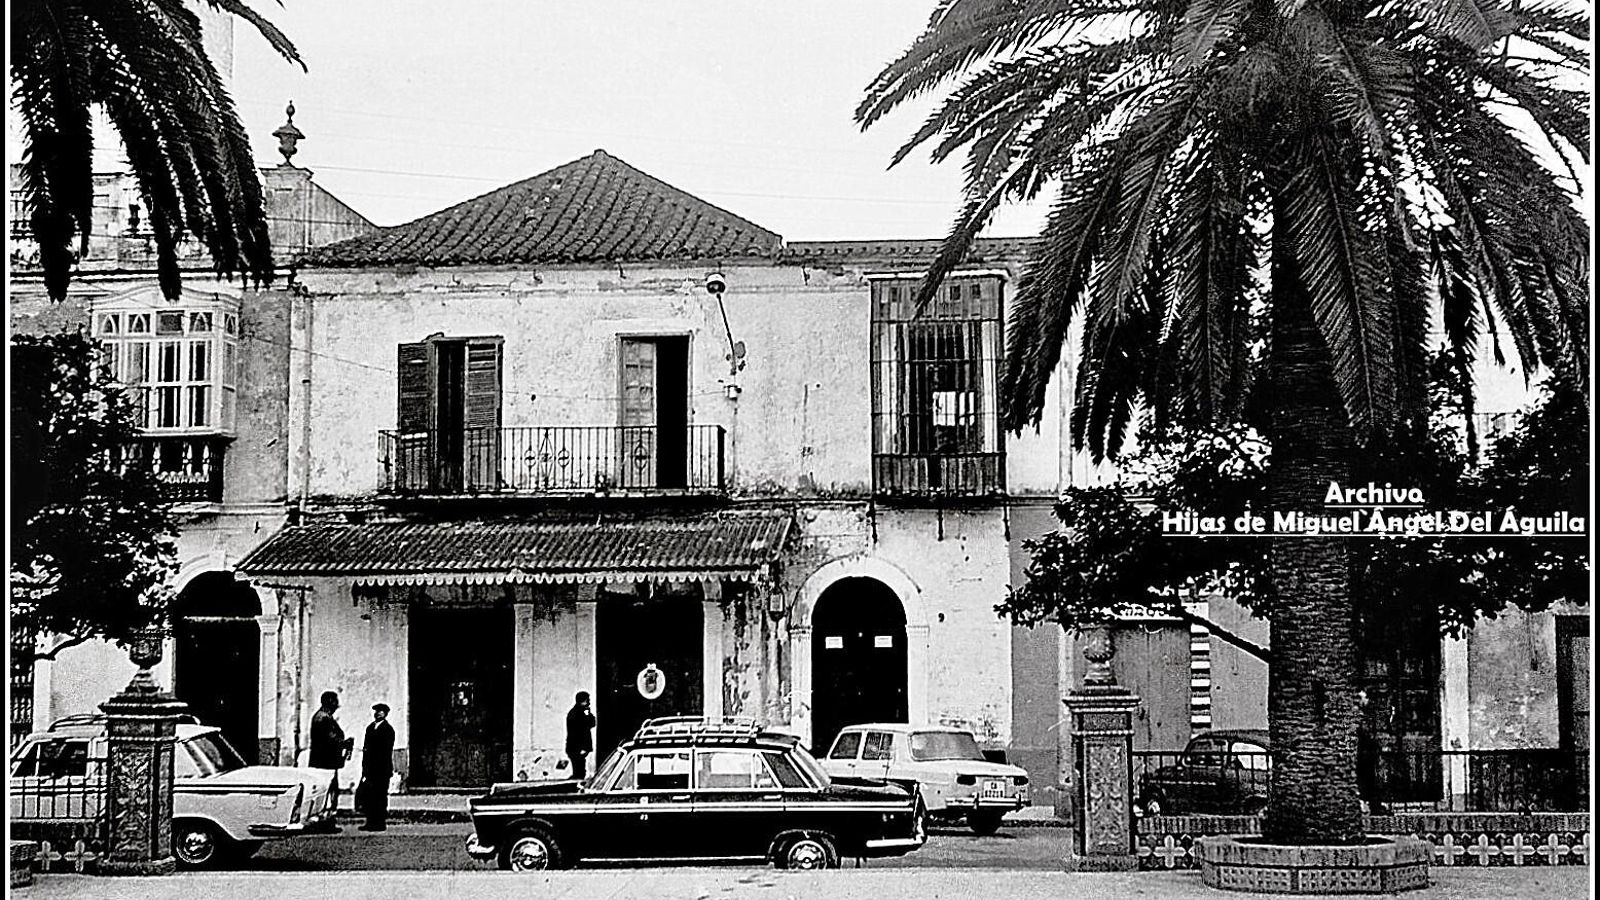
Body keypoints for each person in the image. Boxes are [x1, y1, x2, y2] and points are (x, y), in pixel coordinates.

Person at [309, 691, 353, 808]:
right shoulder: (323, 718)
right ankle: (327, 815)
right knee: (327, 789)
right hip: (325, 761)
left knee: (328, 789)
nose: (337, 706)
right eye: (335, 702)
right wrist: (345, 743)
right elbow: (331, 739)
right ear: (330, 702)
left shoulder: (323, 717)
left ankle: (328, 814)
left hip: (325, 761)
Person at [357, 703, 396, 832]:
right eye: (377, 711)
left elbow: (386, 750)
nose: (378, 713)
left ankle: (379, 823)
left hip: (381, 768)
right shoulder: (370, 728)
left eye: (381, 711)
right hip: (370, 768)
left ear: (385, 714)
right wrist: (365, 767)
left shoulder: (388, 729)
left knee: (380, 796)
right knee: (369, 796)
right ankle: (370, 822)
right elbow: (366, 748)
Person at [565, 691, 595, 781]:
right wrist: (582, 748)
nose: (589, 702)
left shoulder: (579, 712)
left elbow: (592, 723)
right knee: (579, 772)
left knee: (580, 770)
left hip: (576, 748)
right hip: (577, 748)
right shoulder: (576, 714)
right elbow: (579, 732)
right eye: (587, 700)